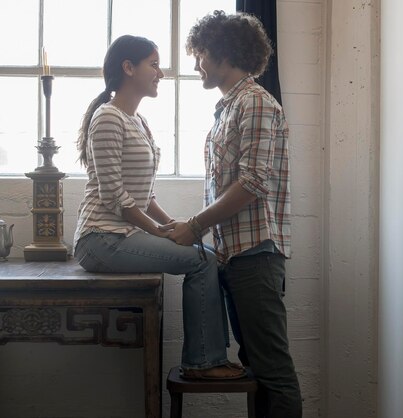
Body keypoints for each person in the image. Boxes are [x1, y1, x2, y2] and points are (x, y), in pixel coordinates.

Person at [73, 34, 245, 380]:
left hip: (121, 234)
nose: (161, 73)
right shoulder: (107, 118)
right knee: (202, 259)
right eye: (153, 64)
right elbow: (115, 197)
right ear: (128, 68)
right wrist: (161, 232)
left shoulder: (138, 121)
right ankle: (203, 363)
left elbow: (144, 195)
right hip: (99, 238)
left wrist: (172, 225)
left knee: (201, 250)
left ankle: (210, 358)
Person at [162, 10, 302, 417]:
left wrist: (196, 226)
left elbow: (254, 181)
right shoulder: (228, 108)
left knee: (272, 372)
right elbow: (231, 187)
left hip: (256, 256)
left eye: (200, 53)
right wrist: (191, 225)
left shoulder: (256, 102)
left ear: (223, 52)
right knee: (258, 369)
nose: (195, 64)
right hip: (237, 255)